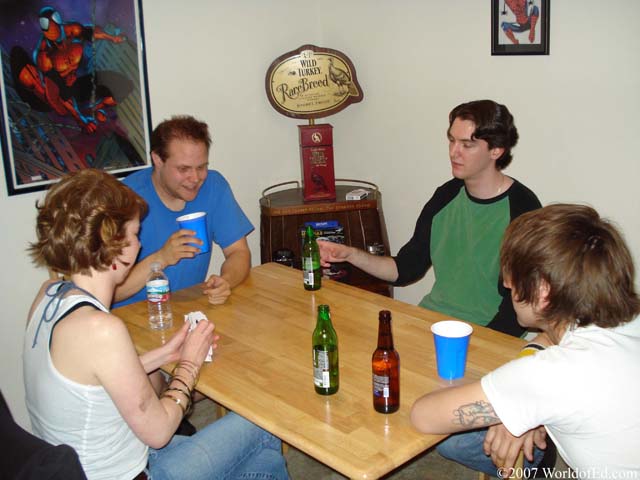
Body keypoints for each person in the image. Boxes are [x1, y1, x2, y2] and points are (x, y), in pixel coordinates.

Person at [24, 169, 289, 480]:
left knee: (265, 464)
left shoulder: (51, 294)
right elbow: (160, 431)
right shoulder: (101, 329)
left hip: (86, 460)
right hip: (135, 471)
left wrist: (167, 354)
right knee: (264, 420)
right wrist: (189, 365)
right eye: (136, 235)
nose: (139, 245)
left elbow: (95, 380)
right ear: (114, 246)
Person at [411, 204, 640, 476]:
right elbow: (549, 340)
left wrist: (513, 406)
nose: (507, 284)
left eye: (513, 276)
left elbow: (424, 416)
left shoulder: (553, 374)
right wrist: (518, 410)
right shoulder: (625, 319)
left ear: (543, 291)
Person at [318, 99, 541, 337]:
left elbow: (519, 307)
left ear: (496, 150)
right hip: (432, 322)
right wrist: (351, 254)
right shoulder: (446, 195)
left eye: (467, 145)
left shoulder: (523, 208)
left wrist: (474, 347)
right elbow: (405, 269)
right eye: (452, 140)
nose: (454, 152)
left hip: (488, 334)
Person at [113, 115, 253, 308]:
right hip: (128, 318)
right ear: (157, 160)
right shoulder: (122, 200)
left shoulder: (214, 186)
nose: (195, 178)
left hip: (188, 310)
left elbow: (238, 252)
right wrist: (161, 258)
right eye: (183, 169)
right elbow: (109, 292)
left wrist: (226, 281)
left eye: (201, 167)